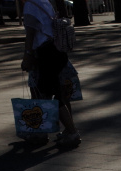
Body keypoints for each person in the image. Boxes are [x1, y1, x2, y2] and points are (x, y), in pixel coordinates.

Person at [21, 0, 81, 149]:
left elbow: (30, 35)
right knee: (58, 93)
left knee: (47, 93)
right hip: (56, 51)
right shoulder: (44, 1)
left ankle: (71, 132)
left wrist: (27, 56)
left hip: (45, 54)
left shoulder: (30, 5)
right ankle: (63, 130)